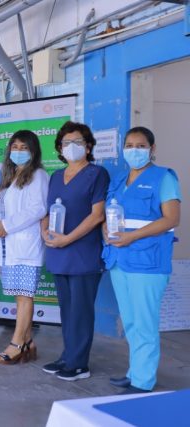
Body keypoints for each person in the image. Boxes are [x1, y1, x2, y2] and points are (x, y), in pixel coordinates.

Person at [103, 126, 181, 394]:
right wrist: (106, 230)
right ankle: (135, 372)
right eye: (129, 145)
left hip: (148, 261)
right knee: (131, 320)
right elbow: (109, 214)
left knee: (144, 322)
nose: (134, 150)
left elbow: (172, 218)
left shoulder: (163, 177)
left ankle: (143, 381)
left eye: (140, 146)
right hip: (119, 259)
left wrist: (133, 236)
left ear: (152, 149)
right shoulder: (119, 180)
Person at [40, 122, 109, 381]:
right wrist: (44, 231)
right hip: (58, 251)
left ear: (88, 146)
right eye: (66, 143)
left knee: (81, 310)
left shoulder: (97, 174)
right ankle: (68, 356)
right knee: (67, 309)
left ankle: (79, 364)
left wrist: (68, 238)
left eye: (78, 142)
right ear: (60, 148)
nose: (72, 147)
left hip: (83, 252)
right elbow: (47, 211)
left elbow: (97, 215)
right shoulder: (56, 176)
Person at [0, 130, 48, 365]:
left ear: (33, 151)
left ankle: (17, 344)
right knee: (20, 297)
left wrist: (7, 225)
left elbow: (38, 208)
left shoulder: (38, 175)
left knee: (25, 297)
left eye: (24, 147)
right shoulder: (12, 176)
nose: (18, 151)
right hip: (9, 246)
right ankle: (28, 341)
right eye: (14, 147)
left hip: (26, 246)